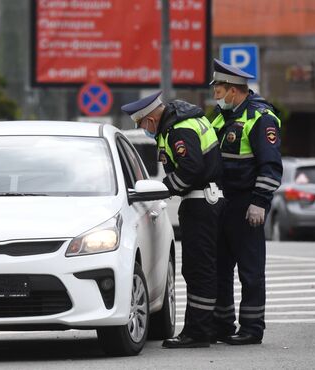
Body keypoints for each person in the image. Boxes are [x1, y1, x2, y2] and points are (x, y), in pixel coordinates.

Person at [121, 92, 224, 348]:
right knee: (201, 269)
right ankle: (204, 328)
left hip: (201, 202)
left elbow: (191, 169)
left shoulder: (179, 130)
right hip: (203, 201)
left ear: (151, 118)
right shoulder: (183, 122)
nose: (144, 129)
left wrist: (164, 188)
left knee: (198, 269)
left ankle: (198, 333)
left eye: (142, 123)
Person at [209, 59, 282, 345]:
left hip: (246, 204)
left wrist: (260, 202)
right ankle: (223, 323)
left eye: (219, 90)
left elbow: (271, 166)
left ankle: (252, 327)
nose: (216, 95)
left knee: (250, 270)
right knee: (221, 268)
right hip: (221, 204)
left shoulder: (261, 118)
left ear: (234, 90)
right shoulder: (219, 116)